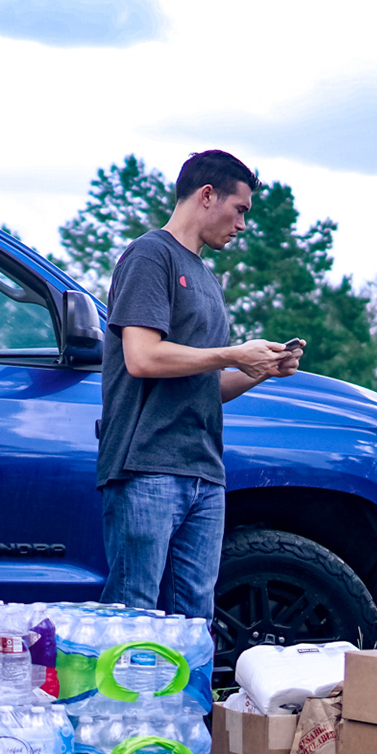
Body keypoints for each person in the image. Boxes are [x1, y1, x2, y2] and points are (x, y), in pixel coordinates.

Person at [96, 149, 302, 618]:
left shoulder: (207, 279)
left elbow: (206, 384)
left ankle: (188, 677)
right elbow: (142, 358)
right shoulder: (150, 255)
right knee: (133, 614)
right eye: (240, 209)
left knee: (194, 621)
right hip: (145, 467)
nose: (243, 225)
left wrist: (260, 370)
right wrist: (233, 353)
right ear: (207, 195)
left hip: (205, 472)